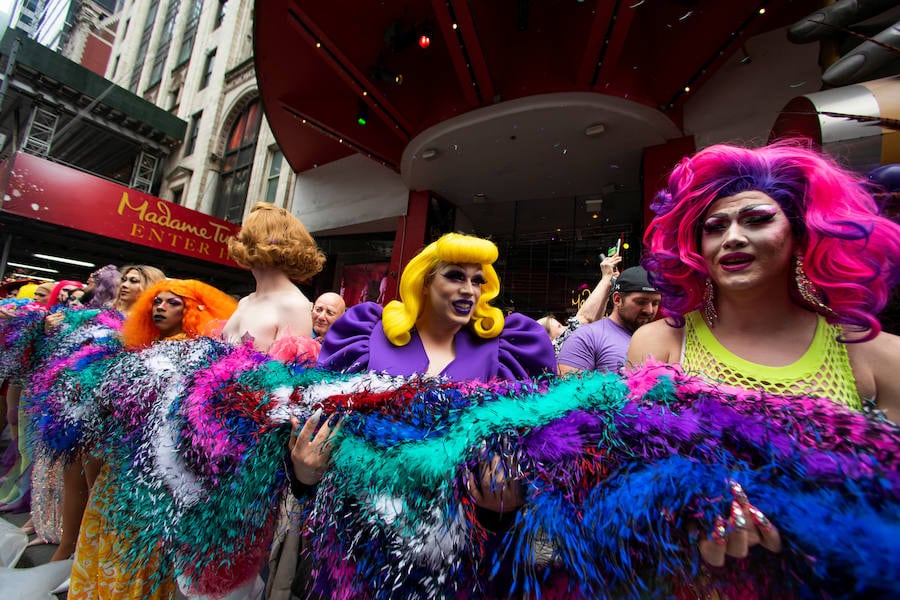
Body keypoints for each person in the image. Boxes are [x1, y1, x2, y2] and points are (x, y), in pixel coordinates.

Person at [627, 141, 900, 567]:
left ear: (802, 232)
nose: (733, 237)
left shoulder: (872, 352)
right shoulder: (660, 343)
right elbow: (633, 474)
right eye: (715, 227)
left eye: (757, 220)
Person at [291, 232, 556, 596]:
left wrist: (506, 507)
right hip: (361, 551)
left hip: (459, 564)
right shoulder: (366, 335)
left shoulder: (510, 349)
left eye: (478, 280)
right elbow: (321, 438)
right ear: (425, 280)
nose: (470, 289)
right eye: (455, 276)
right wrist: (304, 475)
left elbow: (537, 456)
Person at [69, 279, 237, 599]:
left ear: (192, 310)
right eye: (156, 301)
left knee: (138, 548)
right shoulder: (137, 349)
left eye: (172, 302)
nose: (160, 307)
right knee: (107, 532)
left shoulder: (200, 354)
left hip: (155, 474)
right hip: (120, 464)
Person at [222, 202, 325, 352]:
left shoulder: (294, 305)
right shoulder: (245, 302)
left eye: (247, 236)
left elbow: (284, 373)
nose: (241, 240)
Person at [557, 266, 660, 375]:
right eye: (641, 302)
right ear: (617, 299)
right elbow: (570, 389)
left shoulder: (662, 341)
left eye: (655, 303)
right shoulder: (586, 337)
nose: (649, 310)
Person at [537, 252, 623, 355]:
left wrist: (608, 284)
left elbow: (592, 323)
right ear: (548, 338)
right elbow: (584, 320)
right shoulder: (552, 348)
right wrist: (606, 278)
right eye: (559, 327)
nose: (566, 327)